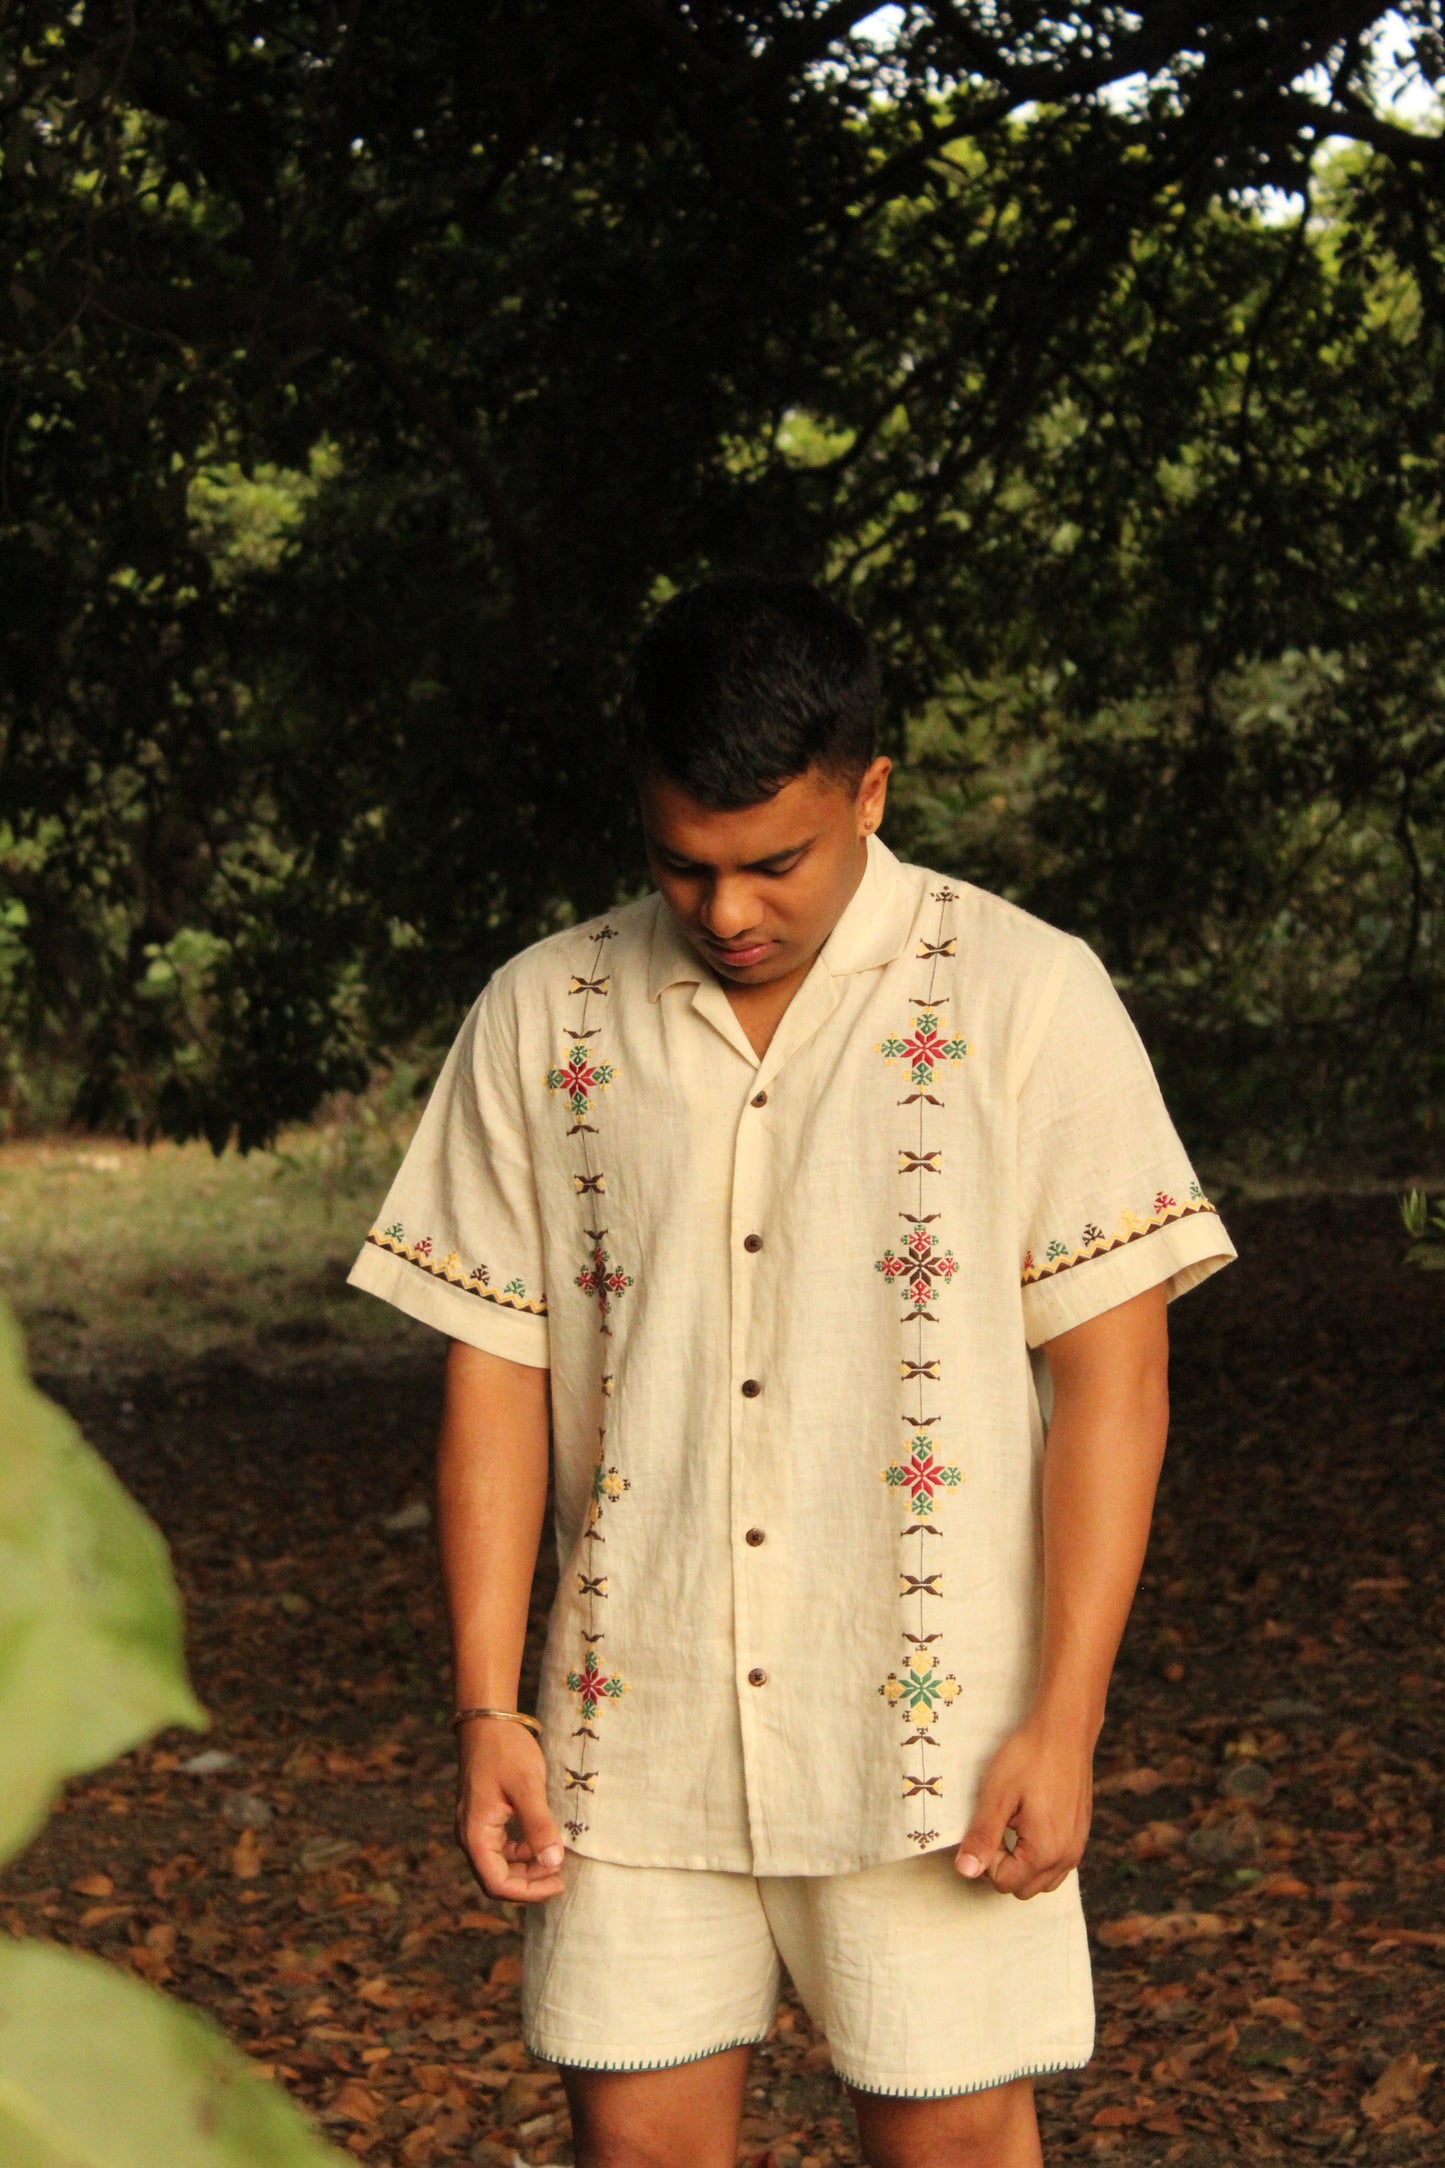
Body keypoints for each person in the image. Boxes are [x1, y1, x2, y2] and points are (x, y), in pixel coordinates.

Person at [348, 575, 1236, 2168]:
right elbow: (493, 1368)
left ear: (871, 792)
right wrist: (490, 1706)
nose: (729, 909)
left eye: (776, 861)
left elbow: (1116, 1386)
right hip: (633, 1727)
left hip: (934, 1731)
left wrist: (1066, 1719)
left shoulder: (1025, 995)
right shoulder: (540, 1014)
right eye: (683, 864)